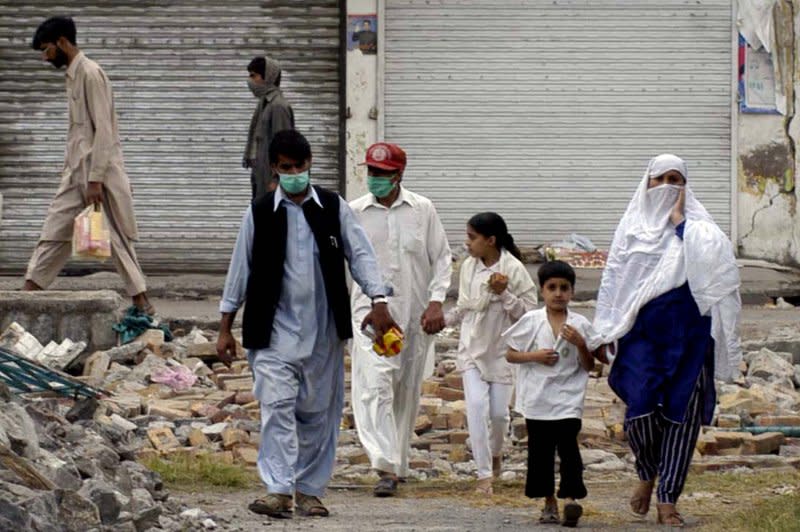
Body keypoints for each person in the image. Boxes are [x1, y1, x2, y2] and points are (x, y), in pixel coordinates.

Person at [216, 130, 397, 519]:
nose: (295, 173)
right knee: (277, 406)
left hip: (324, 330)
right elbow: (240, 269)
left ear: (310, 163)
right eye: (287, 168)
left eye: (300, 166)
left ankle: (310, 491)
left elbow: (361, 256)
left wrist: (379, 299)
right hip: (272, 331)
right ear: (275, 169)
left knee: (319, 413)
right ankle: (279, 490)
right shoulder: (260, 212)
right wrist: (224, 325)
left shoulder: (333, 207)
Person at [592, 154, 742, 526]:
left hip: (692, 337)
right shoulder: (630, 231)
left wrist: (681, 225)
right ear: (647, 184)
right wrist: (603, 330)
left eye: (676, 180)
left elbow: (719, 274)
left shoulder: (702, 229)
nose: (667, 187)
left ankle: (667, 497)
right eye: (660, 180)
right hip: (643, 337)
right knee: (640, 412)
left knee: (682, 417)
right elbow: (615, 283)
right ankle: (646, 472)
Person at [24, 16, 153, 314]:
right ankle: (29, 294)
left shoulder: (92, 74)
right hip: (75, 175)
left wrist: (95, 179)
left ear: (63, 43)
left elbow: (104, 132)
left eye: (47, 49)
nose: (45, 57)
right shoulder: (73, 76)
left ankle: (142, 302)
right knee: (53, 231)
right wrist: (73, 172)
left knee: (117, 240)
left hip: (100, 174)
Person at [349, 142, 452, 497]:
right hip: (369, 317)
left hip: (413, 316)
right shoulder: (354, 212)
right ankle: (385, 467)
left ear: (399, 174)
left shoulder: (422, 210)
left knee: (405, 390)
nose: (375, 179)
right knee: (373, 387)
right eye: (372, 172)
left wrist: (436, 301)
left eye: (383, 173)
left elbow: (441, 258)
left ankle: (398, 463)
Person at [446, 212, 537, 495]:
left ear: (491, 240)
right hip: (471, 350)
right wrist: (440, 320)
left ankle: (496, 453)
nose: (467, 243)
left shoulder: (514, 269)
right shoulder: (469, 268)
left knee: (499, 415)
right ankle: (484, 474)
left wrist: (504, 293)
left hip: (501, 353)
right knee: (475, 407)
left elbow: (530, 314)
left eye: (472, 238)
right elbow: (464, 306)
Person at [503, 261, 598, 528]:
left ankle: (570, 498)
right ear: (542, 291)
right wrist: (535, 356)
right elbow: (510, 353)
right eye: (552, 288)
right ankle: (548, 502)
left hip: (569, 398)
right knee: (540, 452)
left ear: (572, 292)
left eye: (564, 288)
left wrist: (580, 344)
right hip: (537, 399)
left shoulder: (580, 324)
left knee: (569, 448)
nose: (558, 294)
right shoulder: (531, 321)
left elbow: (590, 365)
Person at [243, 56, 294, 200]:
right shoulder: (264, 104)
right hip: (262, 178)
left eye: (254, 76)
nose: (250, 81)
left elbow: (285, 149)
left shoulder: (278, 107)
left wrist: (277, 180)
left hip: (271, 185)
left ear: (268, 77)